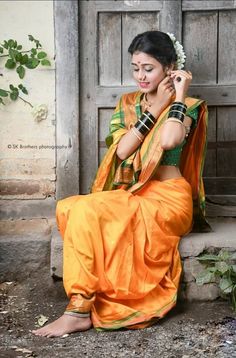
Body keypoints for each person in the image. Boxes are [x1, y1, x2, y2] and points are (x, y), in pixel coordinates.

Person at [32, 31, 208, 338]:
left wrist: (177, 97)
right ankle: (83, 301)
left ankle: (78, 308)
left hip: (168, 200)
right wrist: (154, 108)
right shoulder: (129, 104)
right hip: (134, 192)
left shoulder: (189, 104)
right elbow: (123, 150)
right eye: (135, 67)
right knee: (69, 206)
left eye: (148, 68)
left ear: (170, 68)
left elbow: (169, 140)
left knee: (86, 211)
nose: (140, 75)